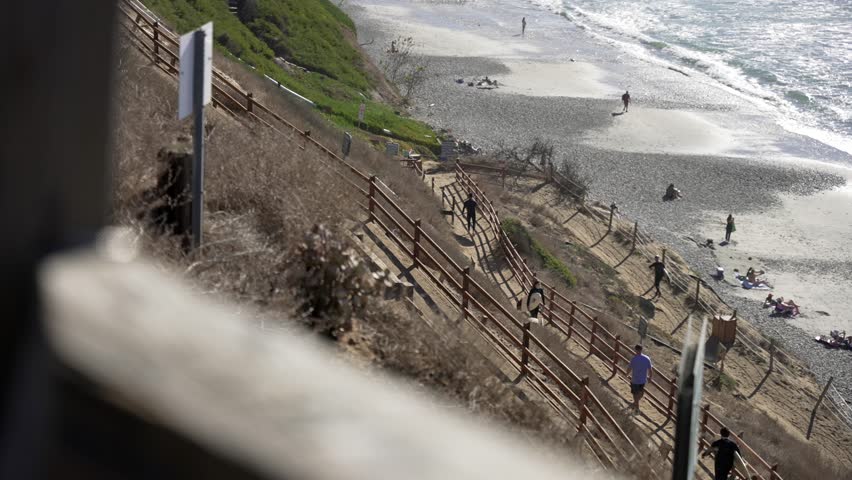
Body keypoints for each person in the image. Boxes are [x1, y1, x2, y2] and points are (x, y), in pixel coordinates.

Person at [626, 345, 652, 414]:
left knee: (635, 395)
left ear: (636, 350)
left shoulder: (634, 359)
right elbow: (650, 369)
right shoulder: (647, 358)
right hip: (643, 380)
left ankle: (636, 408)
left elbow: (629, 368)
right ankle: (636, 404)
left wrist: (627, 374)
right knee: (641, 393)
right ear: (641, 349)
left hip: (635, 380)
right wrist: (650, 377)